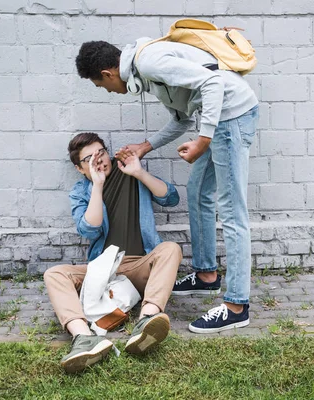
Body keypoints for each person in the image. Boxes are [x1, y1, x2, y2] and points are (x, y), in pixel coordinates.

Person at [75, 37, 259, 334]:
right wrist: (144, 147)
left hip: (232, 118)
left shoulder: (148, 62)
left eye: (101, 86)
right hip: (219, 122)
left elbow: (213, 84)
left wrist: (204, 140)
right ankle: (206, 274)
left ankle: (237, 306)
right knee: (198, 193)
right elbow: (183, 119)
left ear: (108, 74)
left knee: (232, 211)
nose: (108, 91)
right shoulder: (145, 73)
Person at [44, 132, 182, 373]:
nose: (98, 160)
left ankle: (146, 321)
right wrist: (97, 186)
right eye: (89, 158)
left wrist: (139, 172)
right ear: (79, 168)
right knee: (54, 274)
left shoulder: (129, 170)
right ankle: (84, 338)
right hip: (104, 270)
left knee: (171, 249)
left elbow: (171, 198)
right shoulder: (81, 191)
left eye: (100, 152)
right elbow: (90, 228)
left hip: (140, 265)